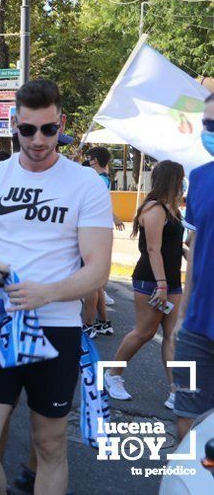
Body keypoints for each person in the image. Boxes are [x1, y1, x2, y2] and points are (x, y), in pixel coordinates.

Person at [0, 80, 113, 494]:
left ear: (61, 124)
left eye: (49, 130)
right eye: (28, 130)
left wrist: (49, 293)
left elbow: (98, 271)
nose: (38, 140)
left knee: (51, 445)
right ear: (14, 125)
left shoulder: (86, 184)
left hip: (56, 328)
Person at [105, 160, 184, 408]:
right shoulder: (154, 208)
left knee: (172, 335)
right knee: (145, 332)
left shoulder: (172, 210)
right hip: (151, 279)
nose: (183, 184)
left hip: (170, 280)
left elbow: (169, 243)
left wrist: (185, 252)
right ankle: (112, 375)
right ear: (172, 180)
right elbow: (152, 248)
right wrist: (161, 284)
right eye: (180, 179)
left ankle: (176, 391)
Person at [173, 93, 214, 439]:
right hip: (198, 330)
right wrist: (183, 315)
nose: (208, 131)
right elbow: (196, 248)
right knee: (186, 420)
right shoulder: (200, 178)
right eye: (206, 124)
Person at [81, 146, 125, 337]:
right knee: (97, 282)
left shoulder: (97, 180)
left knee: (91, 281)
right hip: (99, 231)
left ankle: (88, 325)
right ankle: (104, 322)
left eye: (89, 158)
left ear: (94, 161)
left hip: (93, 232)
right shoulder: (103, 179)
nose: (88, 161)